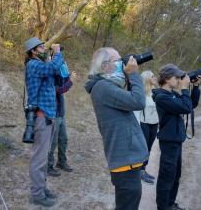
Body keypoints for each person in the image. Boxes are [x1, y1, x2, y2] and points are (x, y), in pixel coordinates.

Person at [85, 47, 148, 210]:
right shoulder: (102, 88)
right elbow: (139, 101)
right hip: (124, 161)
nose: (122, 64)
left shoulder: (107, 87)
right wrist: (133, 73)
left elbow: (131, 99)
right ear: (105, 66)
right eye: (118, 61)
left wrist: (128, 75)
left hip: (127, 160)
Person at [152, 64, 201, 210]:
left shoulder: (171, 94)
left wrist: (196, 87)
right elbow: (185, 108)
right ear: (167, 79)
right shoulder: (161, 96)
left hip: (176, 140)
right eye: (177, 77)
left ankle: (170, 204)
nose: (179, 80)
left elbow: (191, 105)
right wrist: (185, 88)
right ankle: (163, 207)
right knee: (167, 176)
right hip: (169, 142)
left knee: (175, 175)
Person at [24, 37, 63, 207]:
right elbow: (53, 67)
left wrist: (52, 56)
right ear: (33, 51)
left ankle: (41, 188)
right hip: (41, 116)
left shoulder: (42, 63)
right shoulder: (33, 65)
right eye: (40, 47)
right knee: (38, 159)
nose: (43, 48)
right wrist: (57, 53)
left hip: (48, 115)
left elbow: (58, 73)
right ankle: (37, 194)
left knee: (43, 156)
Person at [48, 71, 77, 177]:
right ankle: (48, 166)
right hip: (53, 114)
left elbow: (61, 84)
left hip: (60, 113)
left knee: (63, 139)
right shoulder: (47, 74)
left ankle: (61, 162)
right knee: (53, 142)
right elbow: (59, 90)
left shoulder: (56, 74)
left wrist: (67, 78)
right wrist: (71, 82)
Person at [134, 70, 159, 185]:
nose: (155, 78)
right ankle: (139, 171)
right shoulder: (141, 94)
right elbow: (136, 111)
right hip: (144, 124)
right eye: (153, 76)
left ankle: (143, 169)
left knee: (149, 148)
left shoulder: (156, 93)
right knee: (143, 148)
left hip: (154, 124)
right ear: (147, 79)